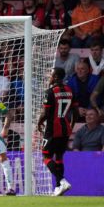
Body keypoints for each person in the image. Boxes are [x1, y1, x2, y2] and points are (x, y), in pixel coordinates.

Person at [38, 67, 76, 196]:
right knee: (59, 157)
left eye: (50, 75)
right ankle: (59, 186)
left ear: (55, 77)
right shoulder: (70, 90)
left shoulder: (50, 92)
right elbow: (75, 112)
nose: (49, 77)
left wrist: (39, 122)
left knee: (46, 156)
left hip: (52, 130)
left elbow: (46, 113)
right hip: (65, 129)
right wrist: (71, 125)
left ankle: (62, 181)